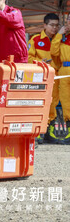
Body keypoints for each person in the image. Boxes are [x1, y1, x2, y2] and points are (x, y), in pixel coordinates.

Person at [27, 13, 61, 144]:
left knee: (53, 103)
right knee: (39, 103)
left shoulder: (59, 40)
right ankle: (38, 131)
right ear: (45, 25)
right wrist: (41, 62)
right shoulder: (35, 39)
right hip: (39, 77)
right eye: (52, 25)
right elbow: (28, 59)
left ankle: (49, 131)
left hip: (56, 77)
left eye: (57, 25)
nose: (54, 28)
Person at [50, 16, 70, 145]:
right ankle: (69, 129)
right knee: (65, 100)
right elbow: (54, 52)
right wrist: (59, 35)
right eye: (69, 20)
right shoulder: (63, 37)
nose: (68, 22)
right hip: (65, 69)